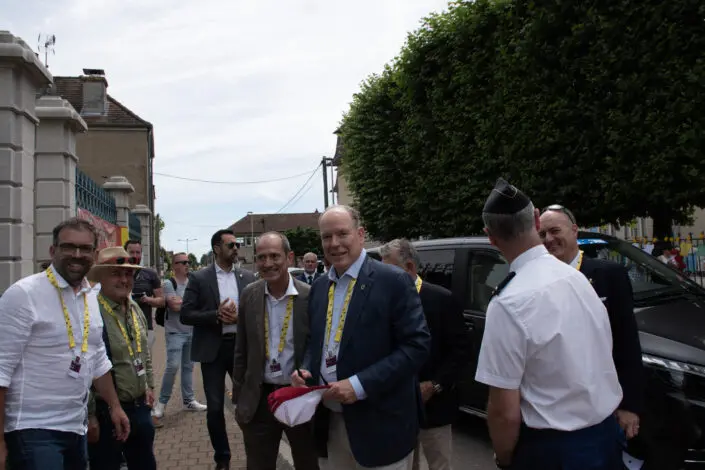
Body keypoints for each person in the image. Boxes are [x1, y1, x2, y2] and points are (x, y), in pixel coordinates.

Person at [475, 178, 623, 470]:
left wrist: (504, 458)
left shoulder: (508, 303)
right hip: (606, 435)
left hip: (554, 449)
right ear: (535, 218)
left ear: (490, 237)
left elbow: (504, 410)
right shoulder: (578, 279)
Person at [292, 205, 431, 470]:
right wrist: (306, 369)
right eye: (326, 237)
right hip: (331, 424)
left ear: (360, 234)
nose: (334, 243)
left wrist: (359, 385)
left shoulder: (393, 281)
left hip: (380, 426)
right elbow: (314, 341)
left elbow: (416, 346)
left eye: (342, 234)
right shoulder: (320, 286)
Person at [0, 218, 129, 470]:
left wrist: (115, 407)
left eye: (85, 248)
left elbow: (97, 358)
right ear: (53, 250)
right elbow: (1, 370)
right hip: (32, 430)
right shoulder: (23, 294)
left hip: (76, 428)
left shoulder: (90, 296)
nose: (77, 255)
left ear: (95, 254)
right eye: (68, 247)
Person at [539, 205, 644, 440]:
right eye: (542, 234)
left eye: (555, 231)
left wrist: (629, 404)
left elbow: (626, 342)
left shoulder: (608, 275)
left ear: (574, 230)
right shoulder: (535, 279)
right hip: (554, 408)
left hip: (601, 405)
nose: (549, 239)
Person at [381, 239, 472, 470]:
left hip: (435, 406)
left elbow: (460, 351)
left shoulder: (442, 299)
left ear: (410, 267)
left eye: (389, 270)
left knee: (438, 463)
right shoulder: (383, 300)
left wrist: (435, 385)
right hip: (397, 407)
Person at [233, 232, 319, 470]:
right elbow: (241, 350)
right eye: (261, 257)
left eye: (274, 256)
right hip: (260, 399)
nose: (267, 263)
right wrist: (240, 399)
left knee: (308, 463)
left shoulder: (309, 296)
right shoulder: (249, 294)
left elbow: (316, 345)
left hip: (298, 396)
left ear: (289, 258)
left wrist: (307, 373)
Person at [181, 229, 256, 470]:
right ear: (216, 248)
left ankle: (255, 453)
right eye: (230, 245)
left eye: (237, 245)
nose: (236, 249)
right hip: (212, 350)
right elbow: (186, 314)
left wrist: (239, 318)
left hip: (240, 349)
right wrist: (216, 315)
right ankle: (222, 458)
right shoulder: (199, 278)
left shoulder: (247, 277)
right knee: (214, 408)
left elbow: (257, 313)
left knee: (248, 403)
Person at [87, 247, 157, 470]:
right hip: (106, 411)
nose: (124, 280)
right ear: (101, 277)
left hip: (140, 406)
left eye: (128, 274)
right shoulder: (91, 312)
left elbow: (143, 352)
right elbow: (86, 367)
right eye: (116, 274)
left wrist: (149, 385)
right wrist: (90, 414)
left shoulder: (134, 307)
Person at [152, 252, 207, 428]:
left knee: (188, 367)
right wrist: (189, 304)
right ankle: (161, 404)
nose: (187, 265)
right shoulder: (170, 283)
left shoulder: (192, 283)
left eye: (188, 262)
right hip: (175, 332)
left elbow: (200, 304)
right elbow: (175, 307)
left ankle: (189, 401)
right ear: (175, 265)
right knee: (172, 366)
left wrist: (184, 303)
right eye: (183, 262)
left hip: (191, 331)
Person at [125, 240, 164, 350]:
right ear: (125, 252)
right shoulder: (118, 273)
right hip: (121, 329)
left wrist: (147, 300)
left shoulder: (150, 274)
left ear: (141, 254)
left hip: (145, 328)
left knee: (145, 360)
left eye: (138, 252)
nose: (135, 256)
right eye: (131, 252)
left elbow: (162, 301)